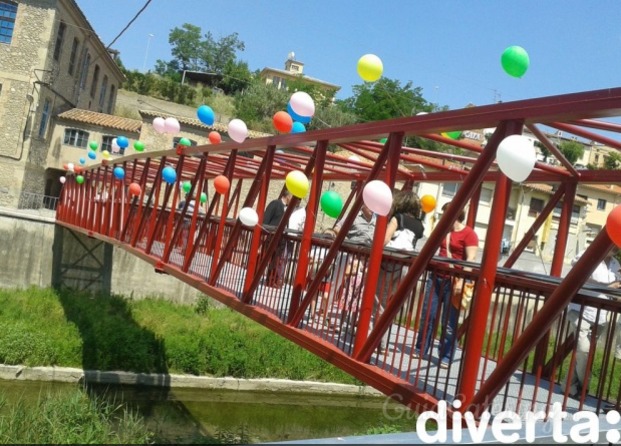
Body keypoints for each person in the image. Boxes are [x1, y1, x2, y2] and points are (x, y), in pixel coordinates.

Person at [414, 201, 479, 369]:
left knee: (449, 321)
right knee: (428, 314)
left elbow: (471, 258)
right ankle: (421, 348)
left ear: (456, 215)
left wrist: (462, 279)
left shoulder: (469, 234)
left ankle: (446, 355)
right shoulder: (443, 231)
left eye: (445, 214)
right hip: (436, 277)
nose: (443, 217)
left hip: (454, 281)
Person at [565, 246, 621, 399]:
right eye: (613, 243)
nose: (616, 247)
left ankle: (569, 386)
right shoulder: (588, 253)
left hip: (601, 314)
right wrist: (606, 287)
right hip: (580, 309)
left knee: (586, 352)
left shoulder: (616, 264)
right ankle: (585, 387)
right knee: (584, 350)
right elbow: (579, 271)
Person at [264, 191, 292, 287]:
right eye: (292, 197)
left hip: (282, 238)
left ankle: (272, 279)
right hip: (272, 236)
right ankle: (268, 279)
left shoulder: (287, 208)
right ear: (287, 196)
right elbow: (266, 218)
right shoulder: (275, 203)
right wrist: (265, 233)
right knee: (269, 257)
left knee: (276, 259)